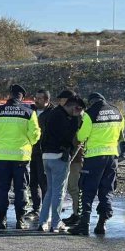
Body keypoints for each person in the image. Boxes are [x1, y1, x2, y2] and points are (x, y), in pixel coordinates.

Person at [0, 84, 41, 230]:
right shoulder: (29, 112)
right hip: (21, 158)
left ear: (9, 95)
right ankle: (19, 220)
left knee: (2, 189)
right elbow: (35, 135)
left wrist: (1, 142)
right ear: (22, 96)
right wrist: (28, 143)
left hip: (2, 157)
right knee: (20, 189)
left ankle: (1, 220)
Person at [69, 93, 124, 236]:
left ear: (91, 102)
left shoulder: (90, 114)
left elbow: (82, 136)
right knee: (107, 190)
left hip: (94, 158)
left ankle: (84, 224)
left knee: (87, 190)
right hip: (112, 157)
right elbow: (120, 135)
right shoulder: (117, 112)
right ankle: (102, 223)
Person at [38, 96, 86, 232]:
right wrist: (77, 119)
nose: (79, 112)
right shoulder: (66, 119)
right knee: (59, 192)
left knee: (50, 191)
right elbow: (70, 137)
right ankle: (56, 223)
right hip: (59, 157)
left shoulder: (52, 114)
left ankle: (42, 222)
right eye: (79, 109)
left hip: (46, 156)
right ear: (73, 107)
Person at [26, 89, 54, 221]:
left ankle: (45, 209)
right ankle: (36, 208)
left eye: (39, 99)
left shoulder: (53, 113)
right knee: (33, 182)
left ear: (47, 100)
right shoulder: (30, 111)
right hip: (31, 151)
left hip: (45, 152)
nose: (36, 100)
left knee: (44, 182)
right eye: (35, 98)